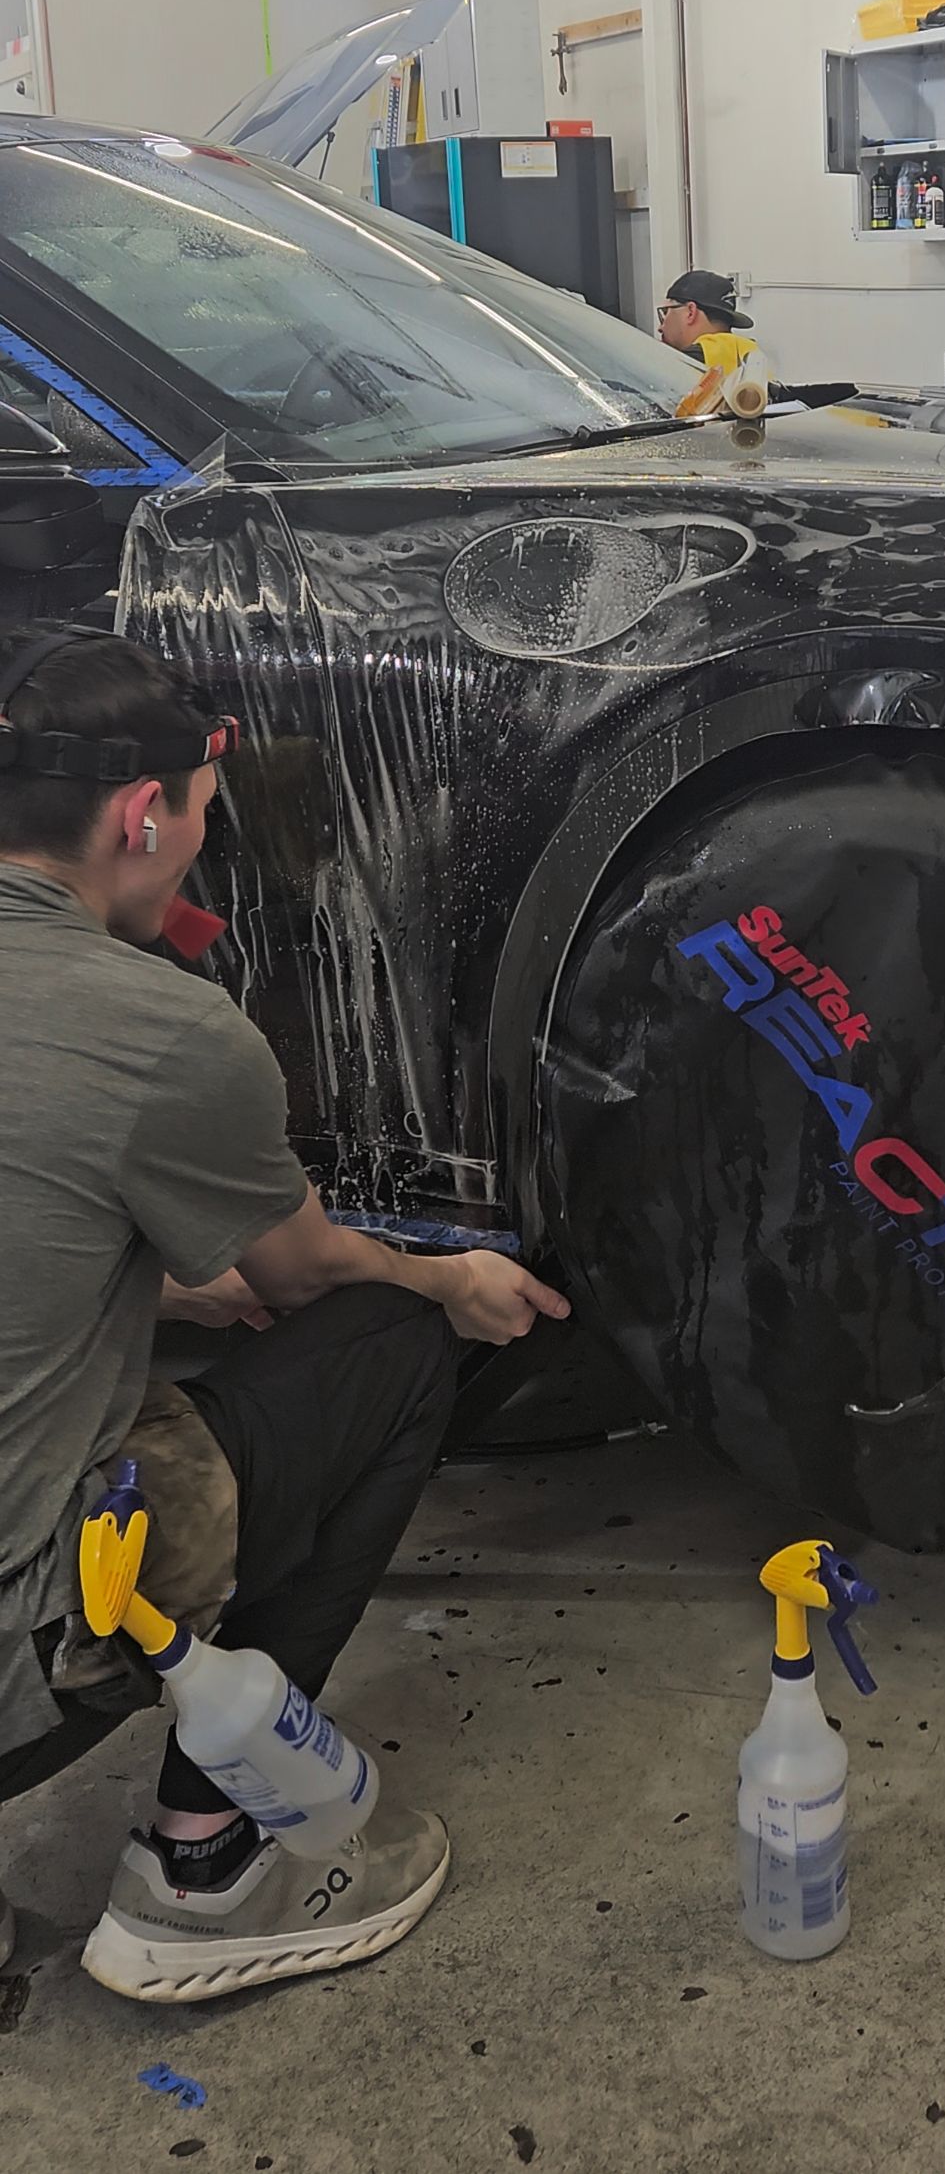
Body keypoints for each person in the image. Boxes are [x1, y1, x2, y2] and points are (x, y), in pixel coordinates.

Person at [0, 625, 570, 2004]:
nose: (204, 848)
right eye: (203, 816)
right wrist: (446, 1281)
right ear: (147, 812)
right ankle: (211, 1862)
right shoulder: (158, 1032)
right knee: (383, 1343)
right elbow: (306, 1276)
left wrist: (151, 1270)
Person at [658, 269, 759, 372]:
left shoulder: (684, 366)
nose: (660, 328)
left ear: (690, 312)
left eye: (665, 312)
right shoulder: (753, 357)